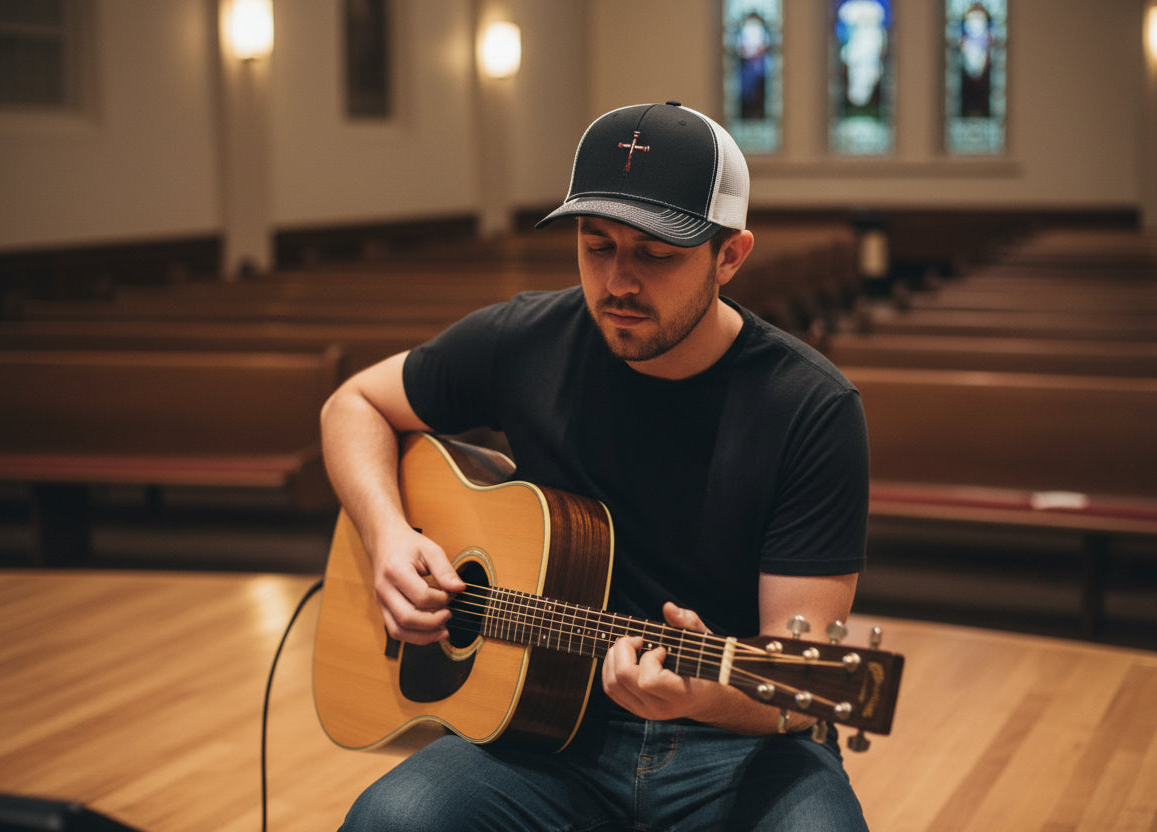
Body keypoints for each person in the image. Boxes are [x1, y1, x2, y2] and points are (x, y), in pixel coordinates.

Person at [321, 101, 871, 831]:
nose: (618, 282)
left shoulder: (810, 409)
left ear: (730, 256)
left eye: (656, 254)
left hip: (740, 745)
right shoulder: (524, 340)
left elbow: (796, 681)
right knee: (390, 819)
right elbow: (352, 404)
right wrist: (388, 535)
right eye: (596, 244)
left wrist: (701, 695)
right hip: (543, 731)